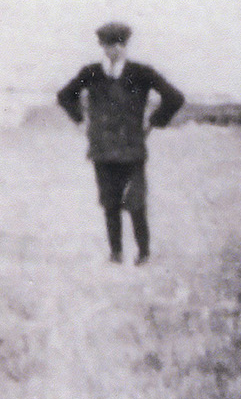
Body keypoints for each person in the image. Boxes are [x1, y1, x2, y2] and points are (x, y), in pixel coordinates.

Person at [57, 22, 185, 265]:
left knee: (136, 202)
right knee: (109, 202)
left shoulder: (141, 72)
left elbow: (175, 97)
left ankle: (144, 254)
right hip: (102, 149)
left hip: (132, 148)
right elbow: (64, 96)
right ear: (102, 46)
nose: (113, 50)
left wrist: (154, 122)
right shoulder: (91, 72)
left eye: (118, 45)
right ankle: (115, 254)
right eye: (107, 45)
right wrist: (81, 121)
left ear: (125, 45)